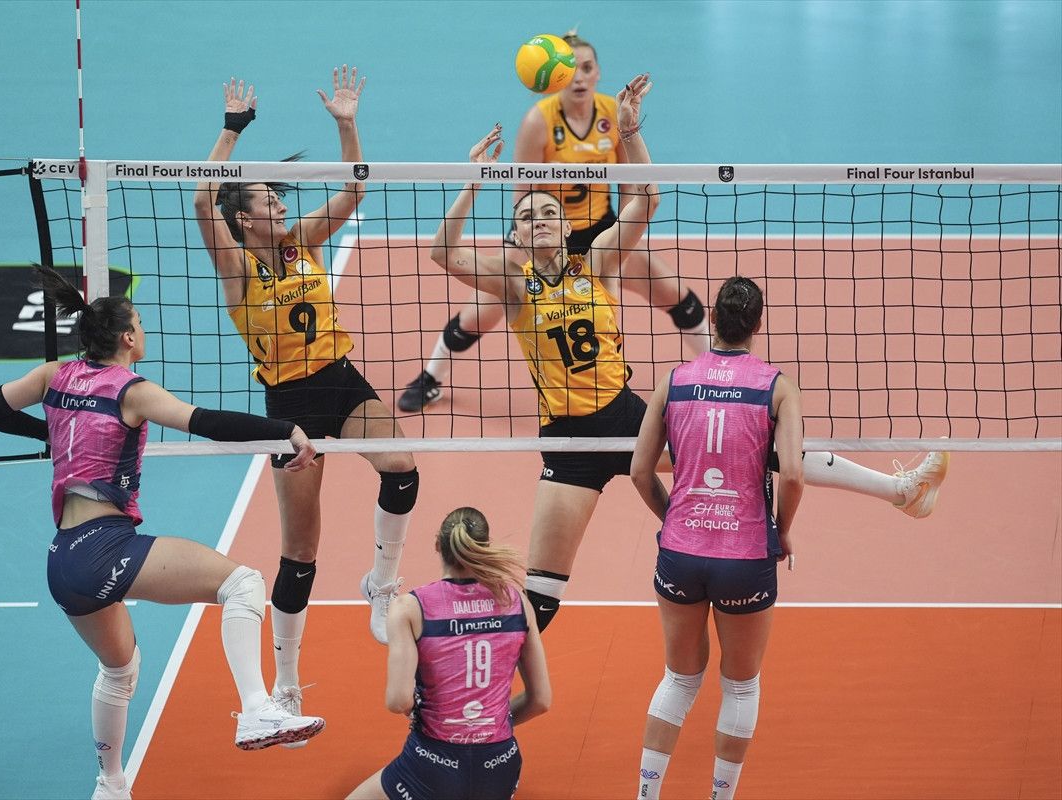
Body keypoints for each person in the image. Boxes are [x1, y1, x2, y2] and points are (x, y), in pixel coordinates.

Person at [429, 95, 948, 638]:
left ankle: (902, 491)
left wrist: (630, 133)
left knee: (768, 446)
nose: (537, 221)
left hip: (628, 420)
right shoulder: (512, 284)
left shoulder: (598, 261)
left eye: (548, 214)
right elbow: (443, 252)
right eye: (526, 217)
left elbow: (647, 198)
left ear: (565, 227)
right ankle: (477, 684)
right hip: (567, 442)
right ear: (515, 235)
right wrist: (473, 182)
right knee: (541, 599)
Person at [0, 266, 326, 800]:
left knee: (119, 670)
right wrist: (285, 431)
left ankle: (111, 784)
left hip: (62, 560)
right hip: (104, 547)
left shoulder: (53, 375)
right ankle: (257, 708)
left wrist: (52, 432)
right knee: (243, 584)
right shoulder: (132, 391)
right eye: (139, 323)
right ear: (126, 339)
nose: (143, 330)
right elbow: (205, 422)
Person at [192, 69, 419, 730]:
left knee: (403, 468)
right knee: (301, 552)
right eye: (268, 201)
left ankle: (382, 584)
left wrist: (347, 124)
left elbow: (355, 188)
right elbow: (202, 200)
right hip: (288, 409)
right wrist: (231, 131)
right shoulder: (238, 269)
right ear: (244, 218)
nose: (281, 207)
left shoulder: (304, 245)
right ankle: (286, 685)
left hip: (341, 382)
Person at [398, 30, 711, 413]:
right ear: (556, 77)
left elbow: (632, 189)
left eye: (587, 68)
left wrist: (627, 233)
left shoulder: (611, 115)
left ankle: (716, 372)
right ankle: (431, 377)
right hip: (544, 232)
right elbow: (522, 197)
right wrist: (526, 246)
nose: (579, 77)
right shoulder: (539, 121)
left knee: (673, 293)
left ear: (597, 73)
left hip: (600, 232)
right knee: (480, 312)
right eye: (572, 69)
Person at [627, 276, 798, 800]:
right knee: (741, 685)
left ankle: (646, 796)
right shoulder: (776, 386)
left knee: (679, 679)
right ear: (757, 325)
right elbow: (792, 473)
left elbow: (638, 471)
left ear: (714, 320)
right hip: (745, 555)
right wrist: (781, 530)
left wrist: (675, 517)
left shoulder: (674, 380)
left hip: (680, 551)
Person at [347, 507, 550, 800]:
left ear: (437, 546)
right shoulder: (517, 603)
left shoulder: (409, 607)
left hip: (432, 762)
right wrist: (486, 726)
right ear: (485, 547)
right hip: (500, 764)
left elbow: (398, 700)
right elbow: (540, 700)